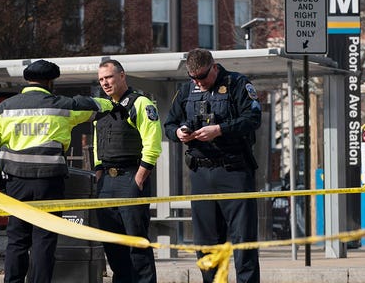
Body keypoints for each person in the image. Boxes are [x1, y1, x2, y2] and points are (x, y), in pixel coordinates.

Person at [0, 59, 117, 283]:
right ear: (50, 82)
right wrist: (114, 103)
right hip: (49, 184)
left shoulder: (5, 108)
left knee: (17, 239)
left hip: (16, 182)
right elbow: (97, 106)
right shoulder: (63, 105)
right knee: (44, 239)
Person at [163, 48, 262, 283]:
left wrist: (220, 129)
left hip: (234, 171)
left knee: (243, 241)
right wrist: (179, 133)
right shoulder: (187, 89)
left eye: (203, 77)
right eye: (193, 77)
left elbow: (253, 119)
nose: (198, 82)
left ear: (214, 67)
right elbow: (169, 124)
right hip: (201, 173)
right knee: (206, 244)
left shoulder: (237, 83)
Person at [93, 59, 162, 283]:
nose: (105, 83)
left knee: (137, 245)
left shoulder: (140, 103)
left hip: (130, 178)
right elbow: (97, 142)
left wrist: (139, 178)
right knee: (112, 245)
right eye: (101, 79)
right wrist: (99, 173)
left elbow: (153, 143)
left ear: (122, 76)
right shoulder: (102, 106)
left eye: (109, 77)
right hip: (106, 183)